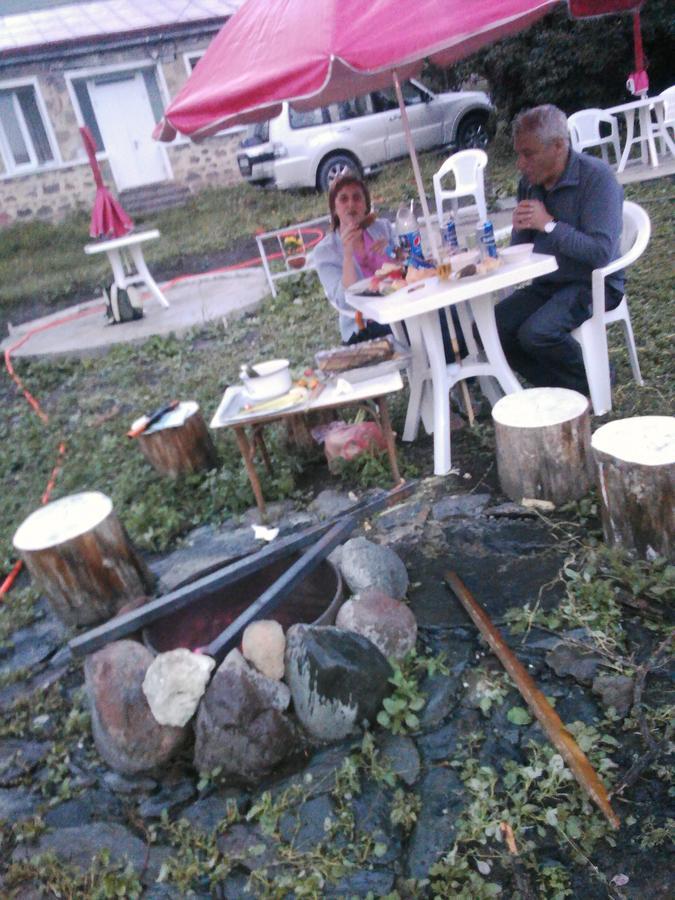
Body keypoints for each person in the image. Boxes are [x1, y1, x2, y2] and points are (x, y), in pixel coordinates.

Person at [495, 104, 624, 395]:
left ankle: (597, 380)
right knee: (495, 327)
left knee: (536, 333)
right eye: (519, 154)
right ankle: (561, 389)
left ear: (557, 146)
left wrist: (549, 225)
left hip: (592, 282)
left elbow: (600, 253)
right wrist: (520, 226)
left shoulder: (596, 178)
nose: (520, 163)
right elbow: (522, 249)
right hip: (548, 282)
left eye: (528, 154)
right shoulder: (529, 185)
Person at [314, 172, 395, 344]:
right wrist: (348, 254)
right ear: (334, 209)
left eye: (357, 197)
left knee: (445, 316)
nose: (351, 204)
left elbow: (407, 269)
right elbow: (345, 302)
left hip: (399, 308)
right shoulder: (325, 252)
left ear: (366, 206)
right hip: (364, 326)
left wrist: (391, 253)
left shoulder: (383, 229)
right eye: (343, 199)